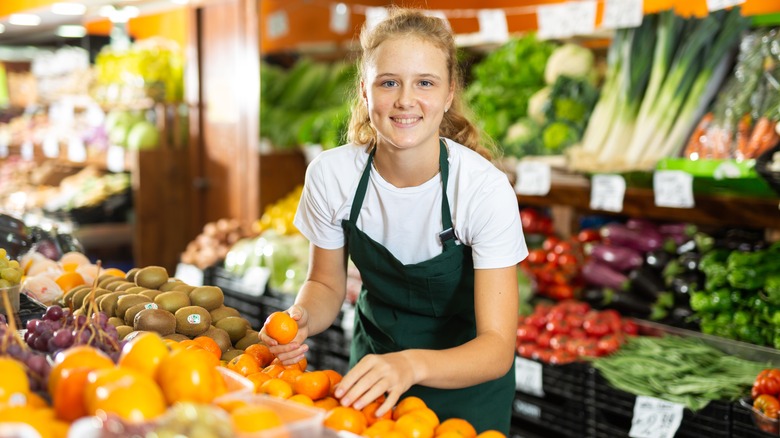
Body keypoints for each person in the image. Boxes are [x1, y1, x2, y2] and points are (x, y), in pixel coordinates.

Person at [259, 7, 527, 433]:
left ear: (449, 92)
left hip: (467, 388)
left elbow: (497, 348)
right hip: (374, 379)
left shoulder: (482, 191)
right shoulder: (332, 176)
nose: (406, 99)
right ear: (365, 90)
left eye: (425, 82)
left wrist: (410, 365)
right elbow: (326, 285)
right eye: (389, 83)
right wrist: (303, 317)